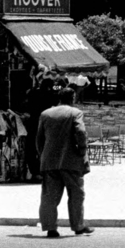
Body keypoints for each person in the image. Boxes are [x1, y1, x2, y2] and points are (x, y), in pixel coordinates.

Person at [37, 85, 92, 238]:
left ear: (59, 98)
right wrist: (82, 149)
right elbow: (80, 132)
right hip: (71, 161)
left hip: (49, 161)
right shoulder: (75, 113)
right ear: (73, 98)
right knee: (76, 194)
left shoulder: (45, 113)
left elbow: (39, 139)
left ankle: (50, 228)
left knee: (49, 196)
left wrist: (43, 155)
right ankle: (78, 226)